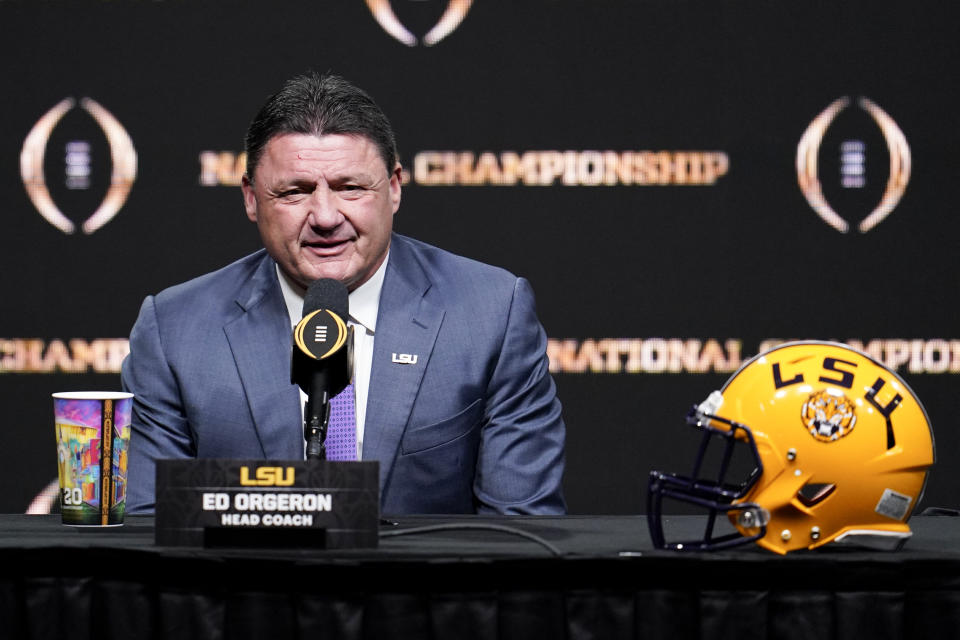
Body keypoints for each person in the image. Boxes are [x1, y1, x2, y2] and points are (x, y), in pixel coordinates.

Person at [121, 72, 566, 515]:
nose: (326, 216)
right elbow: (148, 529)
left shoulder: (491, 313)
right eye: (295, 191)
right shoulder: (175, 330)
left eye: (350, 187)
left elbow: (523, 530)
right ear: (252, 198)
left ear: (393, 188)